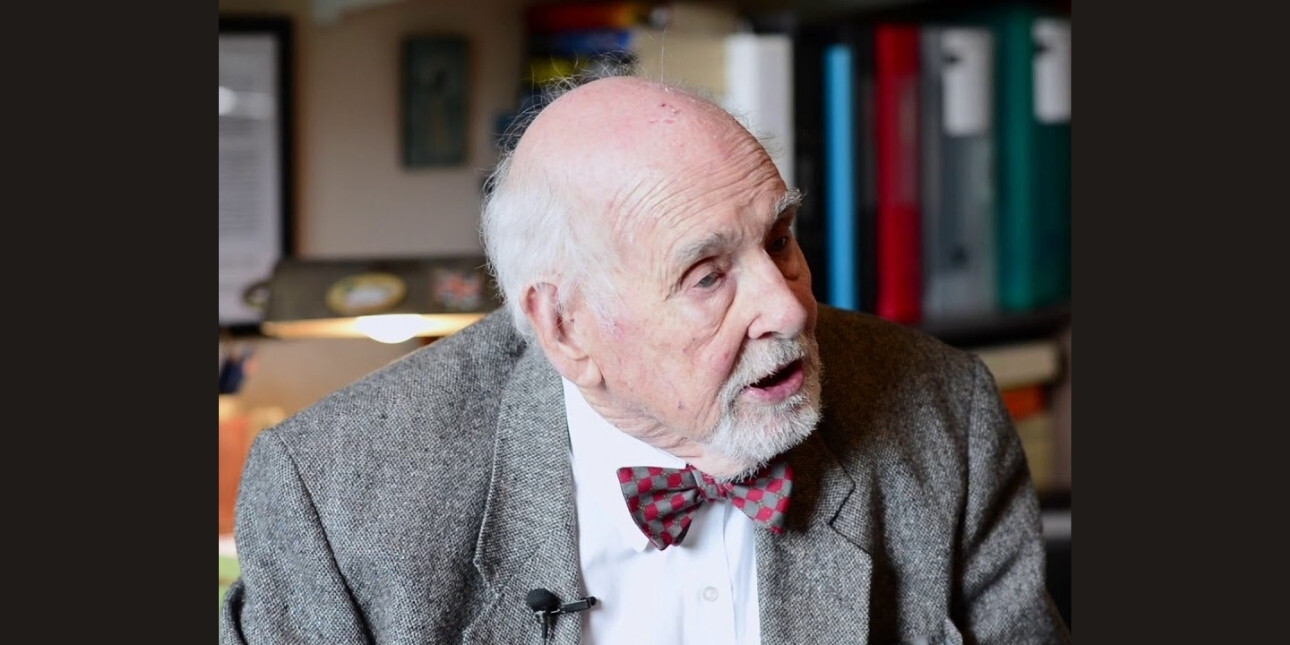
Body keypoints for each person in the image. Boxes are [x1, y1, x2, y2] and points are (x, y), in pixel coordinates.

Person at [220, 74, 1071, 644]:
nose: (785, 303)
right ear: (566, 328)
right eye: (707, 275)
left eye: (780, 238)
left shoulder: (943, 411)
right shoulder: (336, 496)